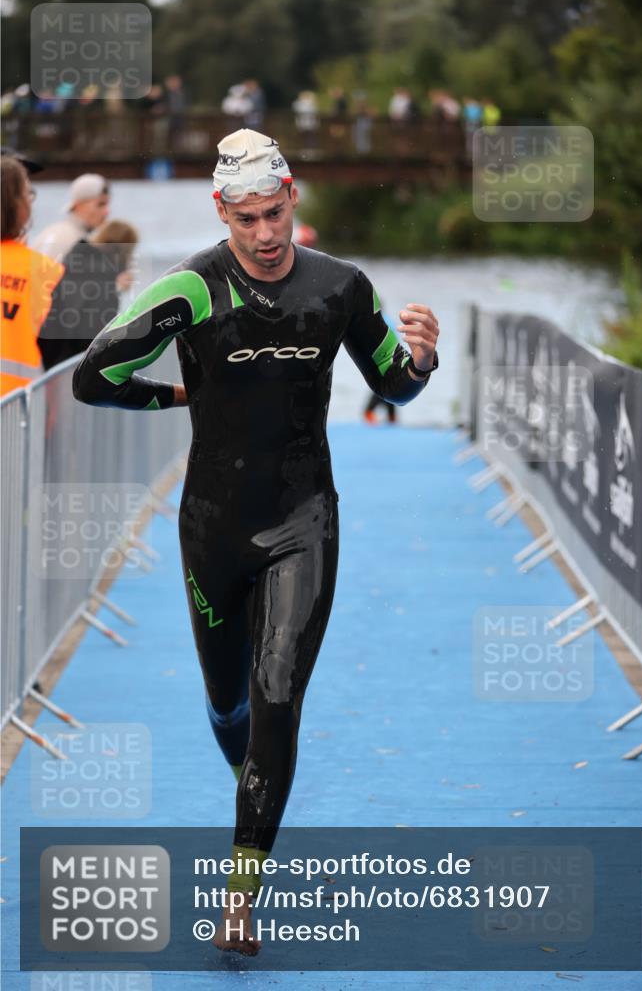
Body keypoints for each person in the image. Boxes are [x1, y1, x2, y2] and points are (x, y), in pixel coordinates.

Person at [72, 128, 439, 955]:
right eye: (247, 220)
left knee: (278, 692)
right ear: (221, 211)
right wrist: (178, 400)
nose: (266, 236)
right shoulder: (190, 289)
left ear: (293, 200)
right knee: (229, 703)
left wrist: (422, 360)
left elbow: (394, 384)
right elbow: (97, 376)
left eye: (276, 215)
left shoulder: (340, 286)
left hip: (305, 520)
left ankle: (240, 901)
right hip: (213, 527)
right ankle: (253, 777)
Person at [37, 219, 138, 370]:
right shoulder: (105, 287)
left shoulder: (73, 263)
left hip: (49, 357)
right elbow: (95, 340)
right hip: (75, 366)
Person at [1, 157, 63, 395]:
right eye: (28, 194)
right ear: (15, 204)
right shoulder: (44, 270)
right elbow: (55, 352)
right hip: (18, 411)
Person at [33, 173, 110, 263]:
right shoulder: (68, 238)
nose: (107, 212)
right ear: (79, 204)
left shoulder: (55, 231)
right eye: (100, 204)